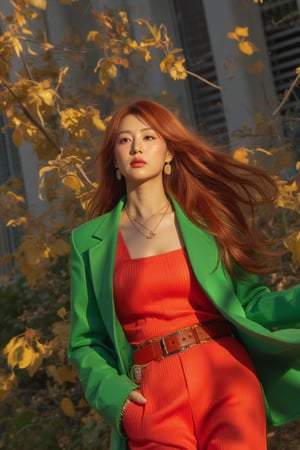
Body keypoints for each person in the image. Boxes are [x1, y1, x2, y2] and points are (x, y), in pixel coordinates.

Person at [68, 98, 300, 450]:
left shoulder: (212, 222)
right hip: (152, 397)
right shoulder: (89, 242)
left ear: (169, 153)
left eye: (149, 137)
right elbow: (86, 341)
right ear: (114, 159)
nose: (136, 148)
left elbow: (250, 304)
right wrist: (117, 399)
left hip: (226, 379)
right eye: (124, 140)